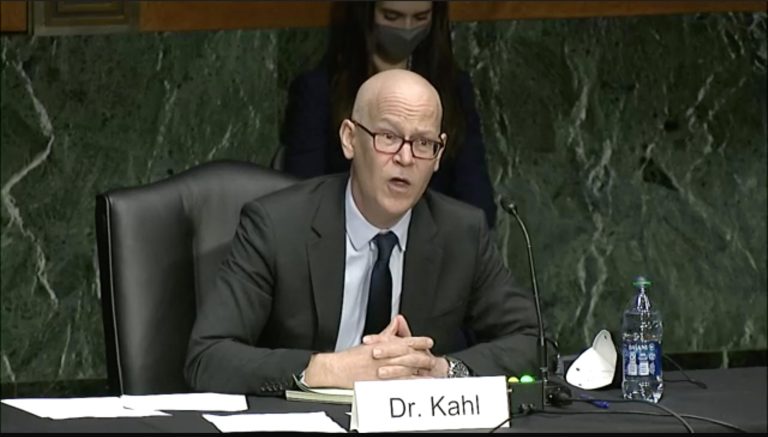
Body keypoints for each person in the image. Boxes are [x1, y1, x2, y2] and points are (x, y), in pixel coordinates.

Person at [185, 69, 538, 394]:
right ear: (350, 139)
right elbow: (209, 358)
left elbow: (532, 339)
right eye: (388, 137)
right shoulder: (277, 226)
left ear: (439, 154)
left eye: (423, 143)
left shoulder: (461, 232)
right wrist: (328, 369)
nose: (405, 158)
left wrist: (444, 370)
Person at [281, 1, 497, 229]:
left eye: (420, 18)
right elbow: (303, 196)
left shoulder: (452, 88)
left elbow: (478, 203)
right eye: (392, 17)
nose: (406, 28)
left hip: (431, 244)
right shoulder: (319, 90)